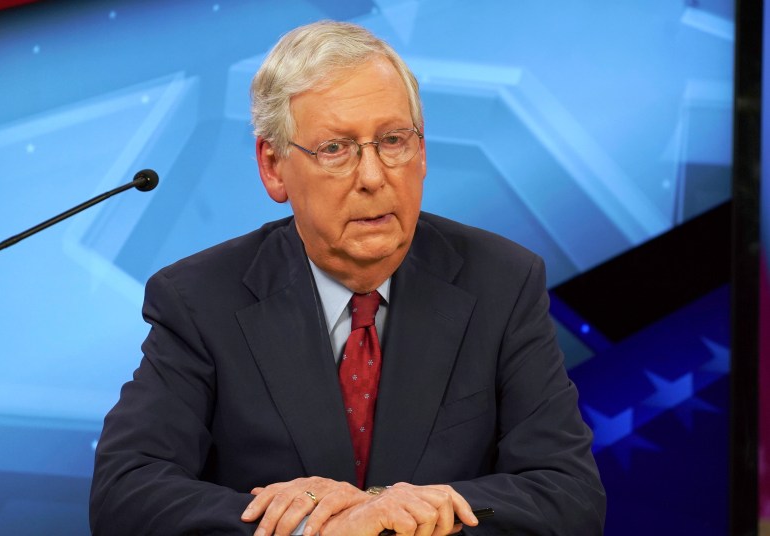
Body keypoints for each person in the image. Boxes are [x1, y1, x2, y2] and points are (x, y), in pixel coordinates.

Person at [89, 20, 606, 536]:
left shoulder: (503, 281)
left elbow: (569, 493)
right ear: (273, 167)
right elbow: (126, 494)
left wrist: (388, 510)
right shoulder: (199, 300)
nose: (374, 176)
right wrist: (309, 526)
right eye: (336, 149)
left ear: (422, 152)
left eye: (393, 140)